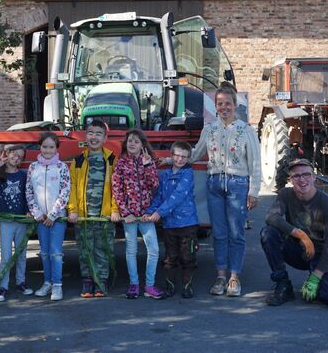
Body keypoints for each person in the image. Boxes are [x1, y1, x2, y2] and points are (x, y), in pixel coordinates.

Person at [191, 83, 261, 297]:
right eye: (219, 104)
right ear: (215, 106)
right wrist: (170, 158)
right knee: (219, 233)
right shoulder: (210, 129)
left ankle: (234, 277)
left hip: (237, 185)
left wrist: (254, 191)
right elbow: (195, 154)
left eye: (227, 103)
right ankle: (221, 275)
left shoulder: (245, 130)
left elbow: (255, 163)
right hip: (214, 183)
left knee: (236, 232)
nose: (224, 107)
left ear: (235, 104)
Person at [260, 158, 328, 308]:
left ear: (314, 177)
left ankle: (322, 279)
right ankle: (283, 284)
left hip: (321, 255)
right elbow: (271, 217)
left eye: (306, 175)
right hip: (297, 251)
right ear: (290, 179)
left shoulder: (327, 203)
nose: (302, 180)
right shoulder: (286, 195)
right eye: (296, 176)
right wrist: (300, 234)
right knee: (268, 233)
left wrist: (316, 276)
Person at [67, 120, 121, 298]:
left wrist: (115, 209)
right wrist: (72, 210)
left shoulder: (112, 159)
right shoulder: (79, 160)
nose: (94, 137)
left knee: (103, 248)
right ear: (85, 136)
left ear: (105, 138)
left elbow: (117, 187)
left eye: (99, 134)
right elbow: (72, 186)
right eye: (91, 133)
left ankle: (101, 281)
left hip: (104, 216)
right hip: (83, 215)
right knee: (85, 249)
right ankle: (87, 280)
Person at [111, 129, 164, 299]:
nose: (132, 144)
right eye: (130, 141)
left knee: (154, 249)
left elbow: (154, 185)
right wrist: (125, 213)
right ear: (126, 144)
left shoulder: (148, 162)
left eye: (136, 141)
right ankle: (134, 284)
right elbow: (117, 190)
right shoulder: (120, 164)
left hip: (146, 215)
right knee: (131, 250)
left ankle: (149, 285)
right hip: (130, 217)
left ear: (142, 145)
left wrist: (148, 165)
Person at [145, 141, 199, 299]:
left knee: (188, 256)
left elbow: (178, 196)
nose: (180, 159)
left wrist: (159, 213)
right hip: (170, 225)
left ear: (188, 158)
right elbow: (159, 197)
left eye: (184, 157)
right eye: (177, 155)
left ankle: (188, 286)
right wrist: (149, 212)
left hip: (187, 224)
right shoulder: (165, 175)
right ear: (172, 156)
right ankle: (170, 286)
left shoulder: (188, 174)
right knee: (170, 257)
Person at [26, 132, 71, 301]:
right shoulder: (33, 167)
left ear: (56, 148)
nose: (47, 150)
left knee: (56, 253)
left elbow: (65, 192)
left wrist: (52, 214)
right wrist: (36, 212)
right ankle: (47, 282)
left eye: (51, 146)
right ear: (40, 147)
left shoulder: (61, 167)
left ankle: (57, 285)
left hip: (56, 218)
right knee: (44, 253)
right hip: (40, 218)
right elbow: (29, 191)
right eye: (44, 146)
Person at [0, 144, 34, 302]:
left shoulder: (23, 175)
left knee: (21, 254)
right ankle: (4, 286)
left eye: (20, 157)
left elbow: (28, 194)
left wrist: (30, 210)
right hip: (6, 221)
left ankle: (21, 282)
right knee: (6, 255)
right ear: (6, 154)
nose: (17, 158)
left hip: (21, 220)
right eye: (14, 154)